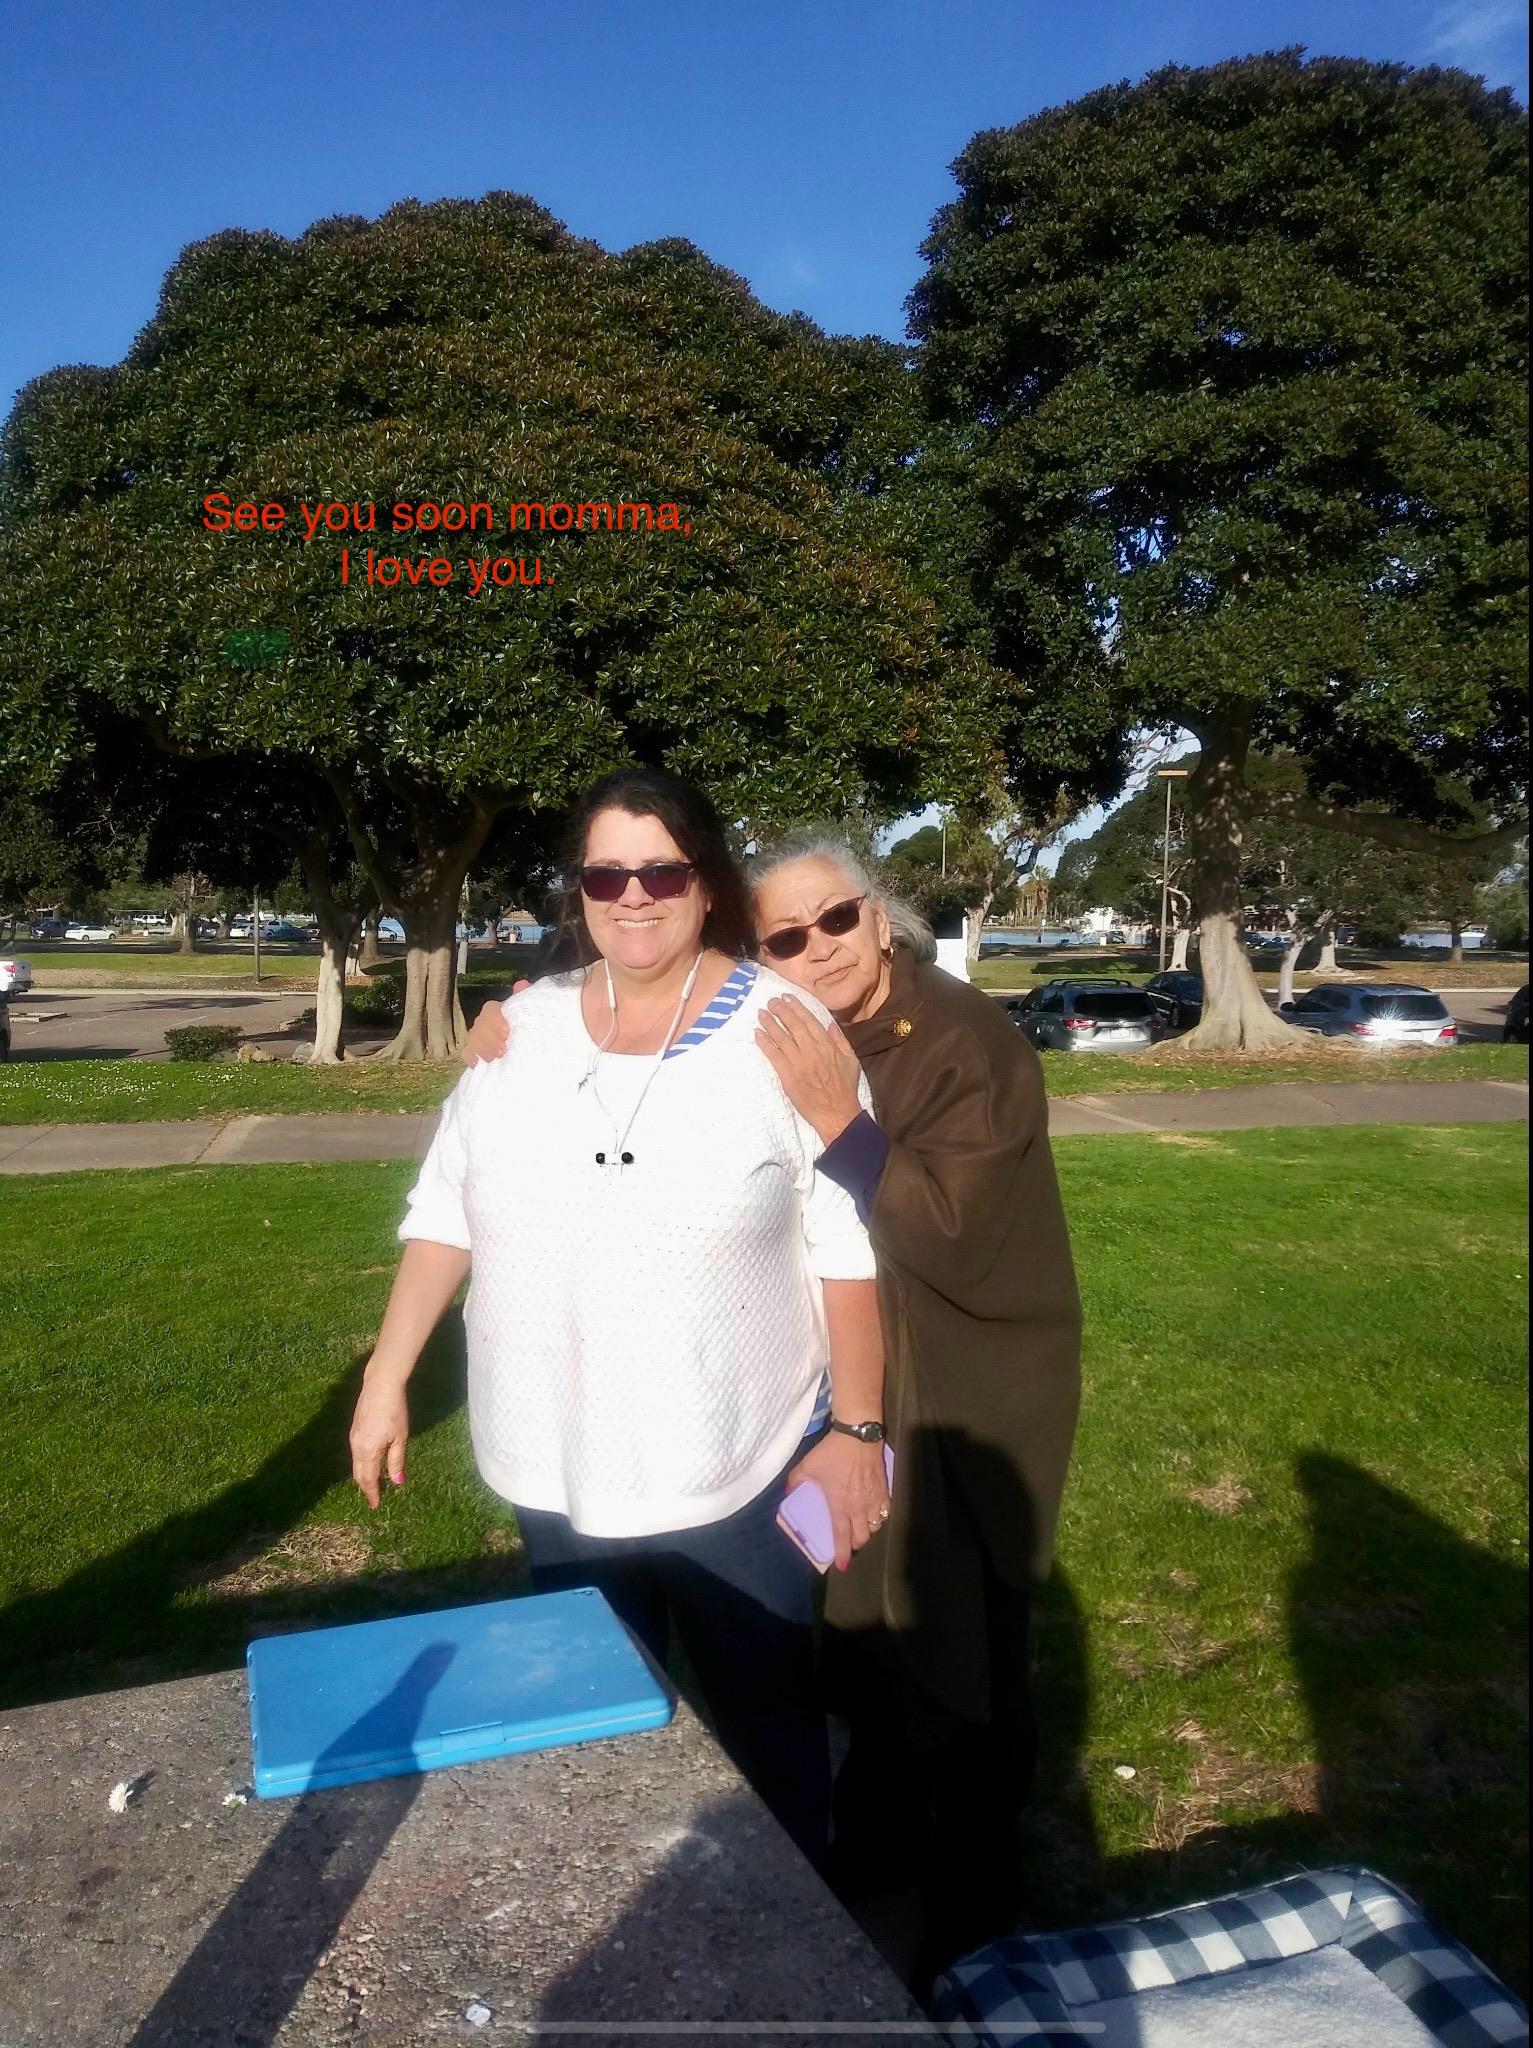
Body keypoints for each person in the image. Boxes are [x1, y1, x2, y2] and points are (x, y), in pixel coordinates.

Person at [463, 823, 1083, 1982]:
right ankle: (874, 1857)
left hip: (962, 1383)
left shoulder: (962, 1041)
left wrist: (842, 1122)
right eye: (784, 936)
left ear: (880, 913)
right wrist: (513, 1016)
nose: (818, 948)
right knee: (868, 1630)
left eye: (837, 919)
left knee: (965, 1642)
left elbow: (951, 1233)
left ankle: (979, 1909)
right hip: (857, 1382)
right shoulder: (786, 1025)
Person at [349, 772, 888, 1869]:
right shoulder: (520, 1032)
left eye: (661, 870)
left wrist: (859, 1429)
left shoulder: (784, 1033)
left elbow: (851, 1245)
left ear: (704, 883)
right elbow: (448, 1209)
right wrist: (384, 1376)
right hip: (557, 1470)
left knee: (769, 1754)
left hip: (738, 1476)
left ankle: (797, 1979)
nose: (633, 894)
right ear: (578, 889)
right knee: (594, 1743)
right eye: (606, 872)